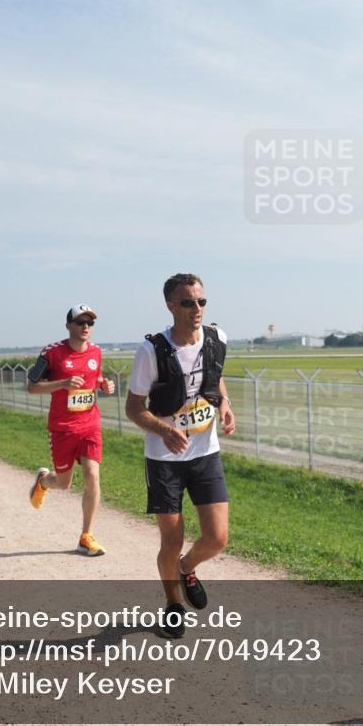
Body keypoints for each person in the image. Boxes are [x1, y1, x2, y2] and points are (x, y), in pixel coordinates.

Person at [126, 273, 235, 639]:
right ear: (171, 306)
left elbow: (214, 374)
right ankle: (172, 605)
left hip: (206, 454)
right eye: (188, 302)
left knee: (217, 537)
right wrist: (164, 430)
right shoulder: (151, 351)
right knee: (170, 542)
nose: (197, 309)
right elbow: (133, 408)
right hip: (164, 459)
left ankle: (188, 568)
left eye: (201, 301)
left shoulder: (218, 338)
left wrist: (225, 405)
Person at [26, 304, 116, 557]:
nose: (85, 327)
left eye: (90, 323)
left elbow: (94, 379)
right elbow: (32, 387)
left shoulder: (97, 352)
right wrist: (63, 383)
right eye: (80, 322)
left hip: (90, 425)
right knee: (63, 483)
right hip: (63, 428)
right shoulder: (52, 353)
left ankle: (86, 537)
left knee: (92, 475)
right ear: (68, 326)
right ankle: (44, 481)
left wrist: (104, 384)